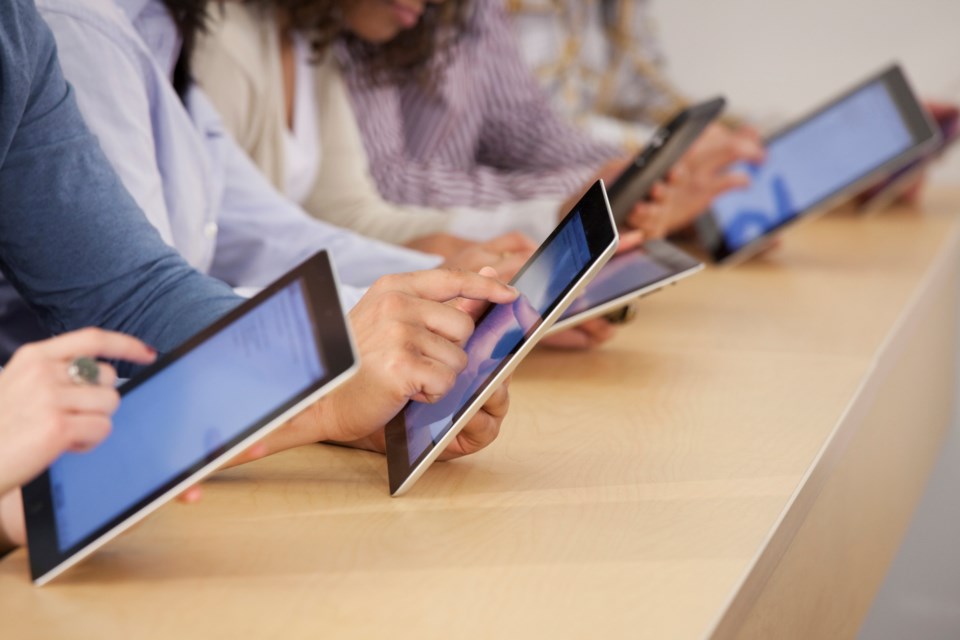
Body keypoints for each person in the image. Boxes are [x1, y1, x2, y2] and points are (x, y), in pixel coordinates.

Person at [0, 0, 516, 554]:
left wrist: (328, 386)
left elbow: (132, 291)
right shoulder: (78, 21)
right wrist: (316, 386)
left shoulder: (18, 27)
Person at [0, 0, 524, 363]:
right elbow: (130, 302)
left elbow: (264, 233)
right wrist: (351, 341)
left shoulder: (161, 23)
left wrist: (438, 286)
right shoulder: (79, 24)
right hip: (107, 406)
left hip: (158, 383)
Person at [193, 2, 558, 256]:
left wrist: (541, 223)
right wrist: (426, 267)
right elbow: (224, 251)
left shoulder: (308, 44)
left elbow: (351, 216)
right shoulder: (224, 42)